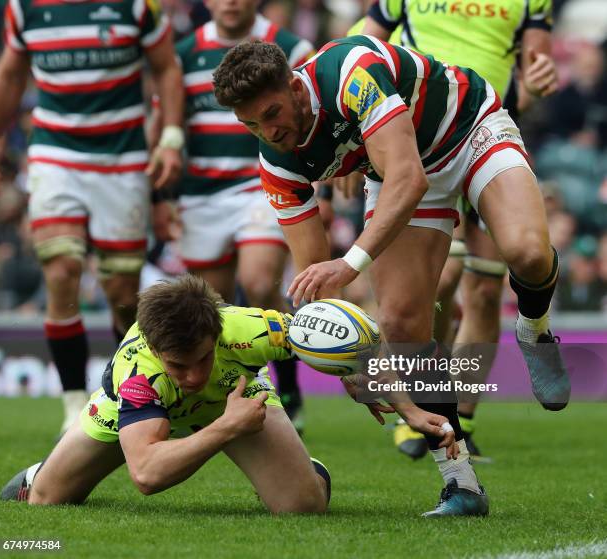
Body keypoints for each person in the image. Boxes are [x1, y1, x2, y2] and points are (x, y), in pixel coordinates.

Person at [213, 36, 571, 515]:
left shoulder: (352, 70)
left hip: (467, 130)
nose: (268, 132)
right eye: (251, 124)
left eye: (272, 113)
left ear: (296, 89)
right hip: (399, 174)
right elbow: (319, 290)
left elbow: (409, 178)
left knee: (527, 253)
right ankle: (460, 482)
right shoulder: (277, 161)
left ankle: (535, 328)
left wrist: (352, 260)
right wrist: (352, 362)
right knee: (402, 325)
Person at [354, 0, 560, 460]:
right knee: (439, 283)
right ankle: (427, 403)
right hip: (416, 143)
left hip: (483, 130)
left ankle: (461, 418)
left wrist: (538, 79)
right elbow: (366, 50)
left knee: (491, 287)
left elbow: (533, 70)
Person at [0, 0, 185, 433]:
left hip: (122, 159)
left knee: (120, 292)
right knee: (61, 268)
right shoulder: (23, 8)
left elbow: (167, 69)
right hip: (56, 155)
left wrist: (170, 137)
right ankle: (74, 405)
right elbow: (9, 74)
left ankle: (133, 394)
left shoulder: (136, 6)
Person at [0, 275, 331, 513]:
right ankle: (38, 474)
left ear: (216, 332)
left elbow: (326, 338)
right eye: (179, 366)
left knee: (303, 506)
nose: (194, 376)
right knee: (46, 498)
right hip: (152, 414)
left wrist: (356, 377)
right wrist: (227, 427)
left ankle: (299, 467)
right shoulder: (136, 371)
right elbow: (146, 475)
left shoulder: (250, 327)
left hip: (235, 395)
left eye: (203, 358)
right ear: (156, 351)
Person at [150, 0, 314, 433]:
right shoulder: (182, 52)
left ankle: (290, 390)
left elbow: (315, 115)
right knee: (212, 309)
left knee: (261, 283)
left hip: (262, 185)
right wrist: (160, 197)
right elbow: (168, 121)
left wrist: (326, 186)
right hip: (200, 195)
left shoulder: (291, 46)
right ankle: (235, 400)